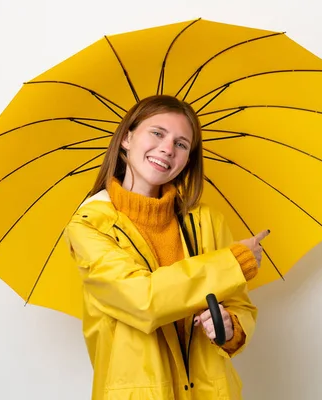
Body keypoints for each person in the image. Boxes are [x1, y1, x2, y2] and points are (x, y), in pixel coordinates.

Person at [65, 94, 269, 399]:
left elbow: (240, 305)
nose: (167, 148)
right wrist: (233, 263)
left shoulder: (207, 221)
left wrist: (230, 328)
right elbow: (142, 299)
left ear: (188, 159)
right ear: (126, 138)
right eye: (157, 133)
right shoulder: (89, 226)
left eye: (182, 144)